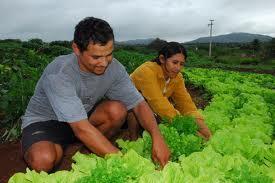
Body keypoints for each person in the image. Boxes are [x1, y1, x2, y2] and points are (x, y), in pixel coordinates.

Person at [21, 17, 170, 172]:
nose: (105, 63)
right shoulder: (60, 73)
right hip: (47, 122)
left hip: (82, 117)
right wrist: (128, 165)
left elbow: (138, 104)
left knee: (117, 110)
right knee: (43, 159)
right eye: (96, 57)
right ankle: (61, 147)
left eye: (109, 54)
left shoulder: (114, 69)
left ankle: (86, 154)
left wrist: (157, 137)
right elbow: (81, 128)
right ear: (77, 49)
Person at [128, 42, 212, 140]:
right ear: (162, 59)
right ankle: (132, 139)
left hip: (150, 108)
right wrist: (187, 128)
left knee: (167, 119)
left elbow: (186, 104)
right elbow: (159, 103)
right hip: (124, 110)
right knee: (136, 105)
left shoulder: (177, 77)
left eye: (181, 64)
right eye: (175, 62)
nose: (178, 68)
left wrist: (202, 126)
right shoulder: (147, 71)